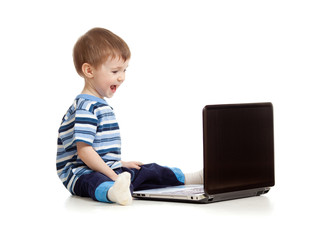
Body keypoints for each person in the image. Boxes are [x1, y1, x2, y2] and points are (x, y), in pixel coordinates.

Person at [56, 27, 202, 205]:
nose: (122, 77)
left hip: (107, 168)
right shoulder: (85, 107)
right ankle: (113, 192)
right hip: (80, 173)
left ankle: (189, 178)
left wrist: (120, 163)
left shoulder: (100, 105)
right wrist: (112, 175)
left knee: (146, 170)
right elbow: (85, 151)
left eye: (125, 70)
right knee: (94, 181)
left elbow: (99, 150)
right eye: (115, 71)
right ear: (89, 71)